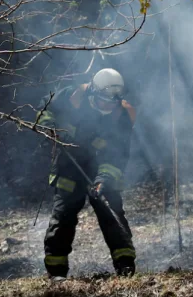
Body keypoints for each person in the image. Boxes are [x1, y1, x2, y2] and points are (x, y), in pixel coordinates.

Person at [35, 68, 137, 280]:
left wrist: (104, 179)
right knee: (63, 217)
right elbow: (44, 108)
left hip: (101, 167)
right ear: (92, 92)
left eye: (112, 103)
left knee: (112, 212)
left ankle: (125, 266)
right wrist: (48, 127)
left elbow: (118, 154)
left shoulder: (122, 115)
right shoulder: (72, 96)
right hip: (68, 165)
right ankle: (57, 273)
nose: (108, 107)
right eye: (103, 102)